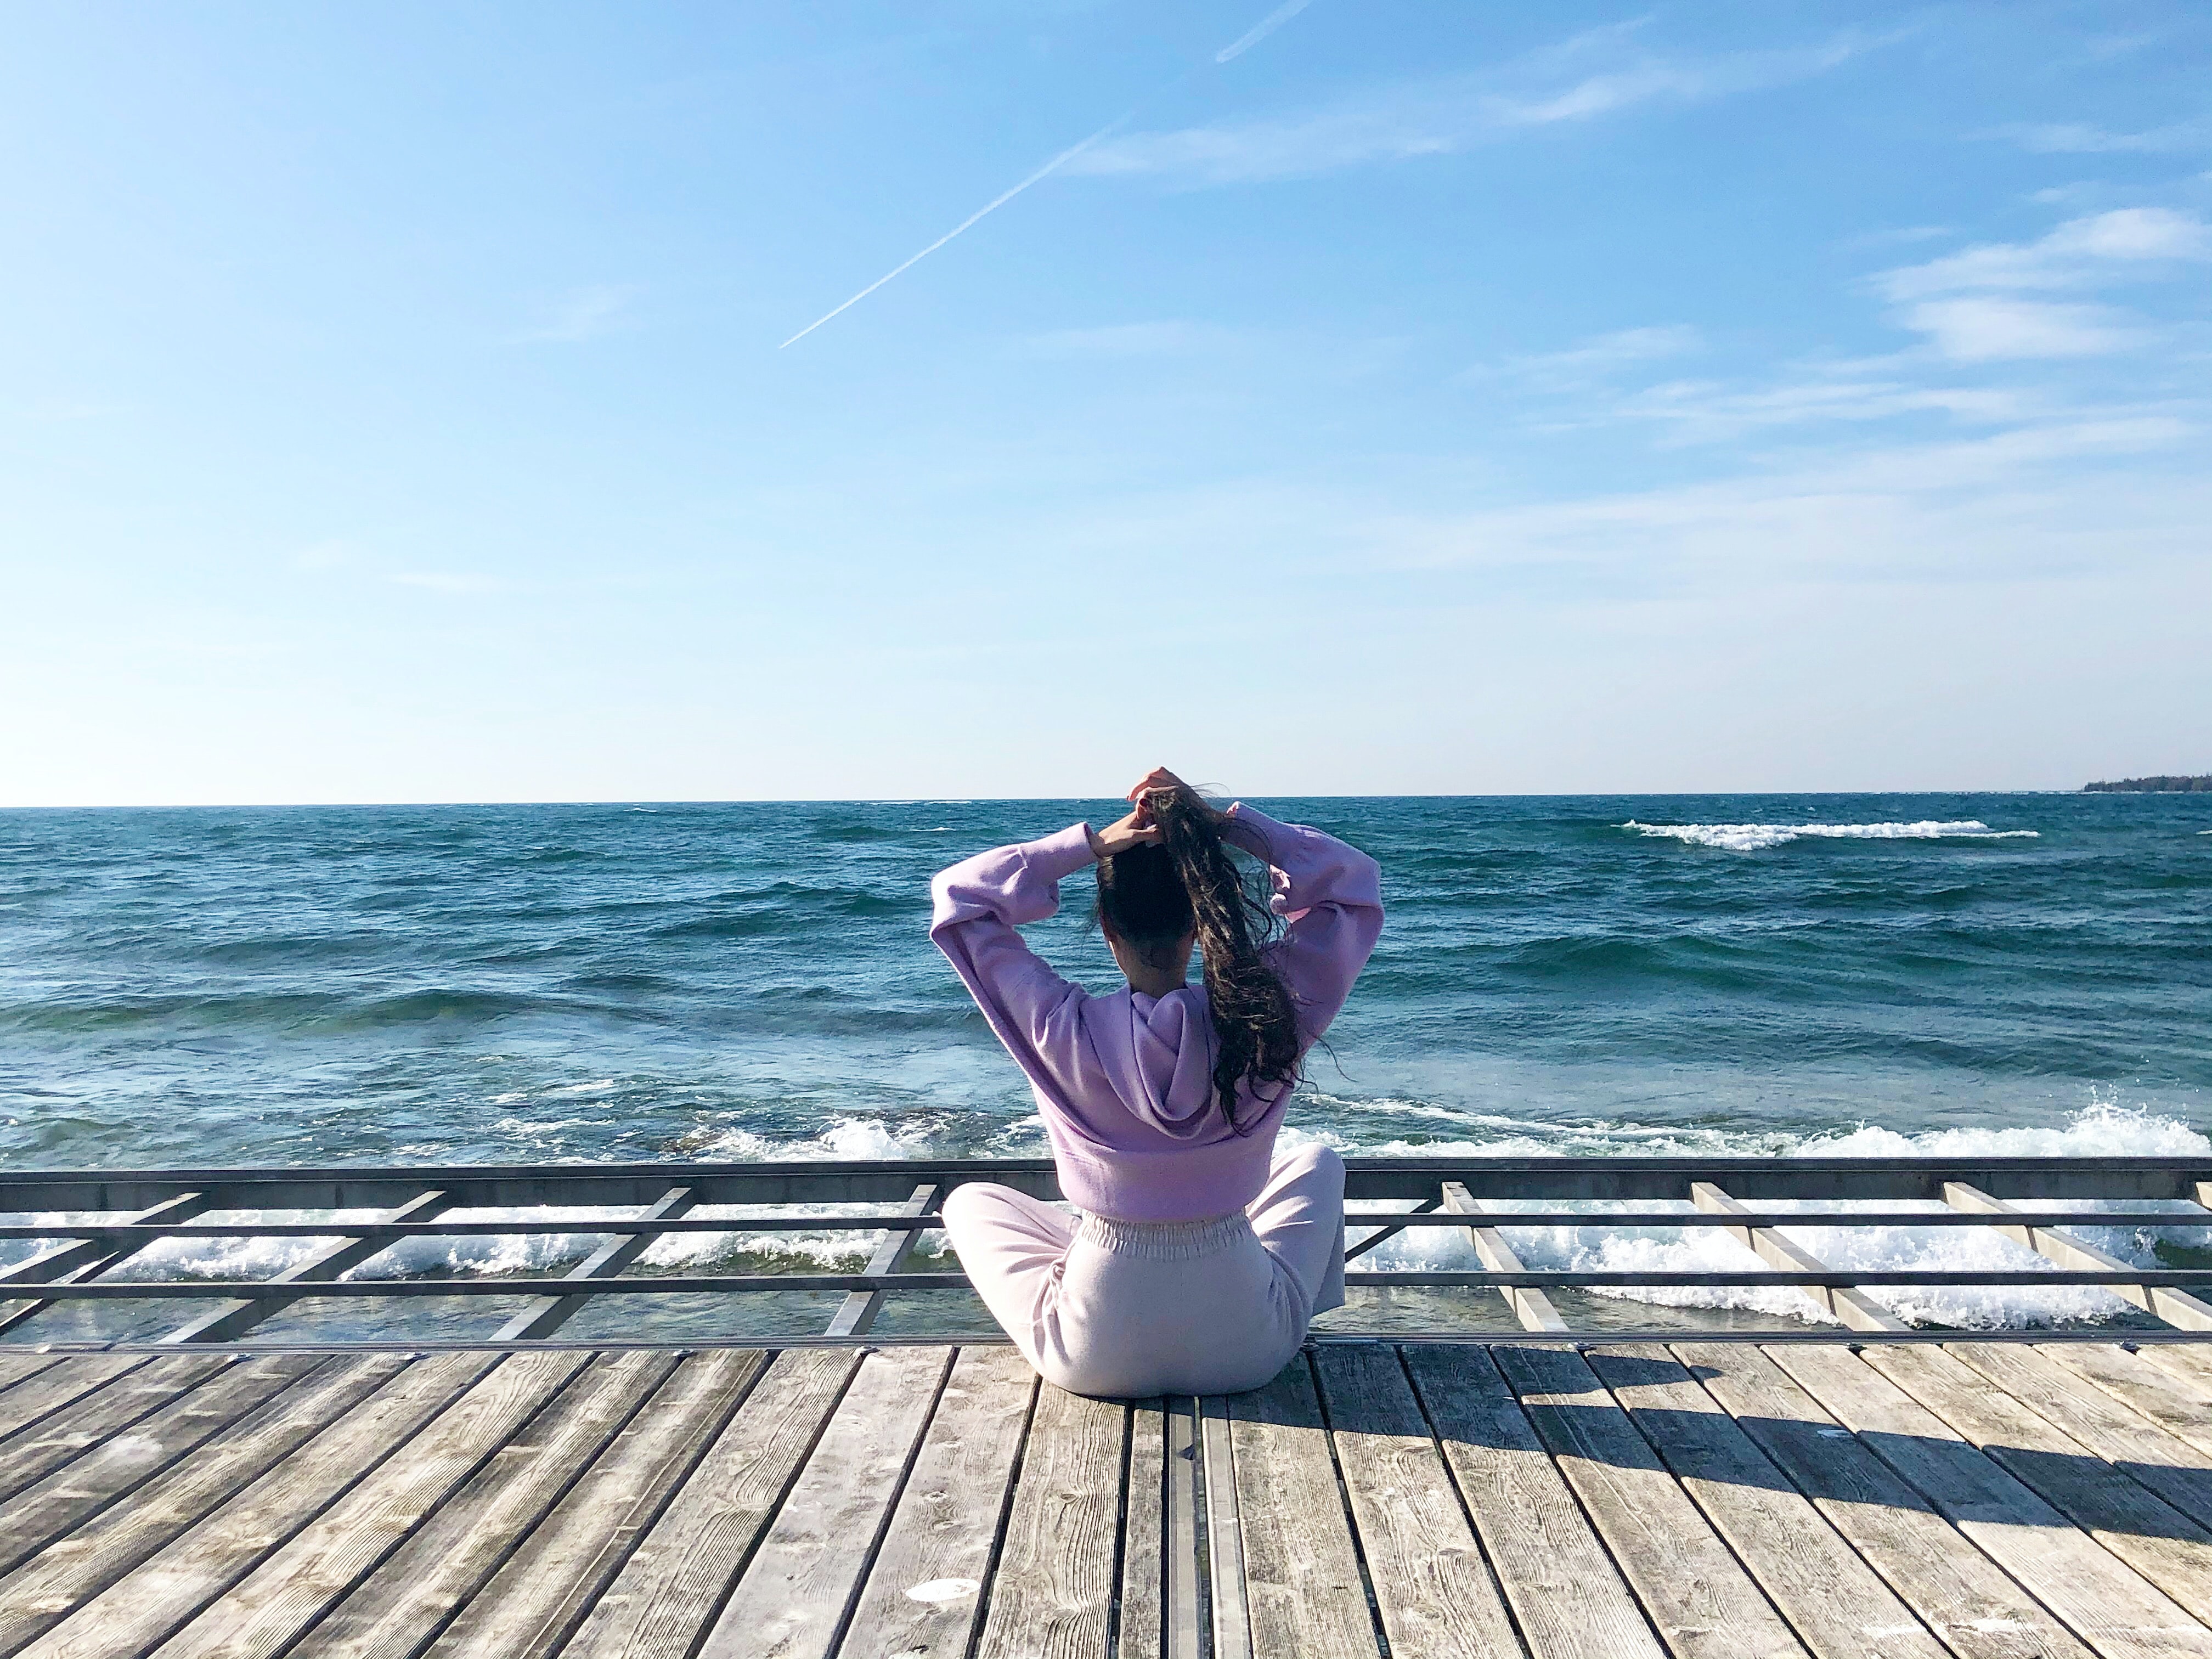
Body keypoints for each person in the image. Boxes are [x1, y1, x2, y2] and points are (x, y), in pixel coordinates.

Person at [929, 766, 1383, 1397]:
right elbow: (1354, 888)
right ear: (1199, 924)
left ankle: (1094, 1245)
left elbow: (960, 898)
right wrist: (1222, 825)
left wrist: (1086, 846)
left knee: (969, 1201)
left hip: (1090, 1356)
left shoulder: (1063, 1029)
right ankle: (1285, 1313)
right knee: (1319, 1162)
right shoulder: (1264, 1019)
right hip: (1249, 1351)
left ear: (1109, 930)